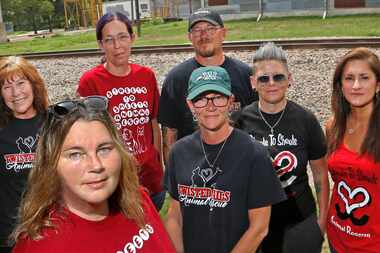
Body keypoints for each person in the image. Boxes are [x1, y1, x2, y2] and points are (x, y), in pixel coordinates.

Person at [11, 96, 176, 253]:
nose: (96, 165)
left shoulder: (137, 199)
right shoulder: (40, 245)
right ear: (51, 164)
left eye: (104, 149)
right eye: (76, 154)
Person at [164, 66, 285, 253]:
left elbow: (259, 227)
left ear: (231, 102)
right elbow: (175, 215)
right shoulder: (179, 152)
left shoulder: (254, 154)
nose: (210, 106)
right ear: (190, 104)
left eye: (218, 98)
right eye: (201, 99)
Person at [237, 42, 330, 253]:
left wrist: (321, 223)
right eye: (263, 78)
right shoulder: (240, 120)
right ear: (253, 82)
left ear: (290, 79)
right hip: (254, 223)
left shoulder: (306, 120)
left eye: (278, 77)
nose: (271, 83)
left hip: (300, 221)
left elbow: (320, 174)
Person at [77, 12, 165, 210]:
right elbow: (85, 134)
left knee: (149, 236)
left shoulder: (146, 76)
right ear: (100, 44)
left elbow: (153, 123)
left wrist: (157, 160)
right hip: (115, 181)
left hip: (151, 179)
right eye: (109, 40)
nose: (117, 46)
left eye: (122, 37)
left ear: (132, 38)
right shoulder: (90, 82)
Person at [158, 8, 258, 164]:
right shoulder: (175, 79)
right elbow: (170, 132)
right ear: (189, 37)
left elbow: (258, 125)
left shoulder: (245, 75)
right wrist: (172, 176)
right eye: (197, 30)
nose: (203, 35)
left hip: (239, 165)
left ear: (223, 33)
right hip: (193, 170)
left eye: (210, 29)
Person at [325, 48, 380, 253]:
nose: (356, 86)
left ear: (378, 85)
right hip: (337, 239)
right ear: (340, 85)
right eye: (349, 78)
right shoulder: (333, 127)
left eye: (364, 77)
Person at [0, 56, 48, 253]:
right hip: (11, 238)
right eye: (6, 87)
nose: (16, 92)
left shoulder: (55, 123)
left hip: (51, 231)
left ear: (34, 85)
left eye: (21, 83)